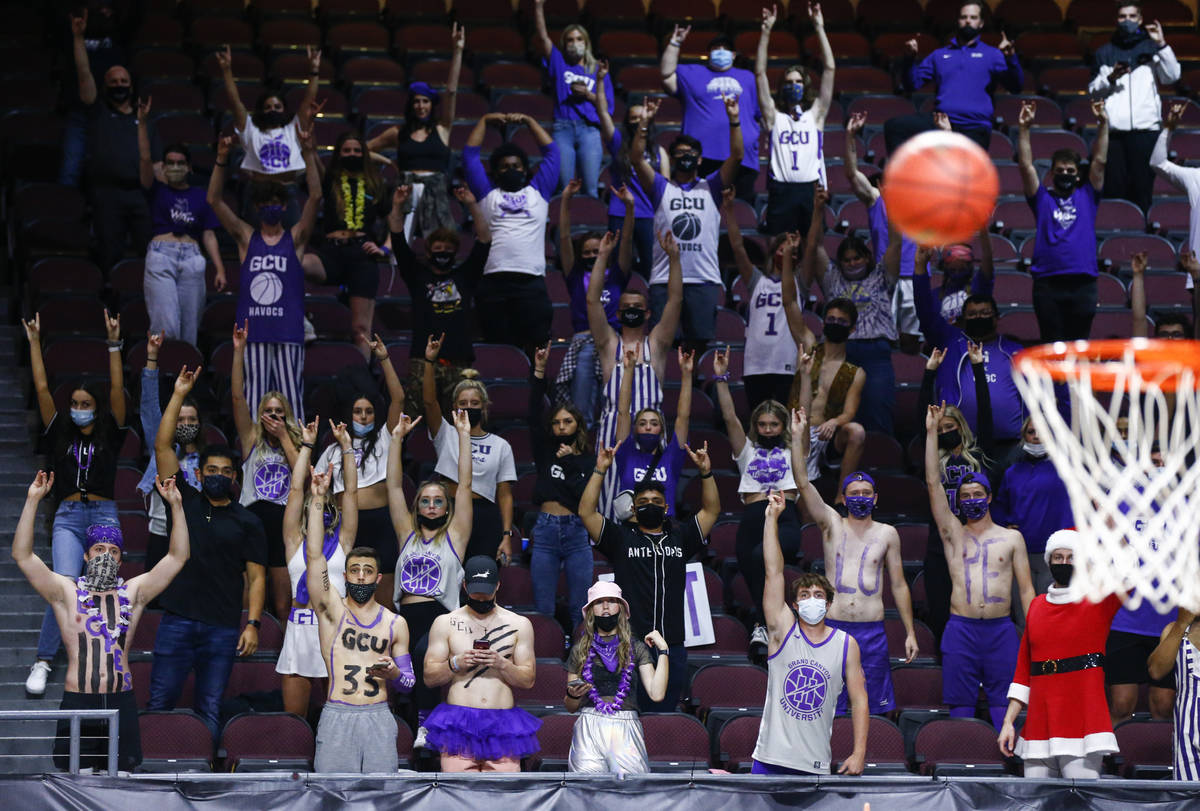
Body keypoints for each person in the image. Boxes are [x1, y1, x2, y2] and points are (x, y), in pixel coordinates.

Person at [15, 471, 189, 772]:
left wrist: (176, 506)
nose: (105, 556)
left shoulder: (133, 592)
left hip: (120, 699)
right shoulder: (66, 592)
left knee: (122, 779)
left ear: (121, 561)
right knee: (76, 781)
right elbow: (23, 556)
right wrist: (32, 500)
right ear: (85, 556)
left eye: (113, 552)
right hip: (79, 700)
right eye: (99, 550)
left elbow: (177, 557)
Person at [149, 366, 267, 738]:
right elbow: (162, 446)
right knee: (160, 700)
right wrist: (179, 395)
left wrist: (253, 624)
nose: (218, 475)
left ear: (235, 478)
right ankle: (150, 772)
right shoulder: (182, 500)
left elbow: (257, 576)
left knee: (210, 705)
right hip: (177, 619)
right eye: (211, 469)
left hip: (221, 624)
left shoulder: (248, 521)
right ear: (198, 475)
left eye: (226, 471)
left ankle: (205, 773)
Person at [22, 311, 126, 697]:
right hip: (67, 516)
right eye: (75, 402)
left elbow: (117, 388)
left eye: (86, 402)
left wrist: (114, 343)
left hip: (104, 512)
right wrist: (34, 342)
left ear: (96, 406)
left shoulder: (110, 432)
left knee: (103, 582)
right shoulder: (60, 429)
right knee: (64, 583)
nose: (79, 406)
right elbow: (42, 386)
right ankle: (45, 660)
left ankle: (102, 656)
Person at [793, 408, 918, 714]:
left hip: (871, 629)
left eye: (866, 492)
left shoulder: (888, 533)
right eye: (854, 493)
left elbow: (900, 585)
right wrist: (797, 439)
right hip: (832, 626)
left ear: (875, 498)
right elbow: (803, 483)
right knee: (828, 705)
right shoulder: (831, 524)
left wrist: (910, 631)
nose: (860, 497)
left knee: (872, 705)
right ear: (844, 497)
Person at [580, 440, 720, 712]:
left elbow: (712, 510)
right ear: (633, 510)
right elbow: (586, 512)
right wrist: (600, 470)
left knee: (663, 716)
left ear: (666, 508)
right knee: (628, 713)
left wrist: (705, 472)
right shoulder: (620, 539)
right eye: (643, 502)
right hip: (628, 643)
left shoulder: (680, 537)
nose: (649, 505)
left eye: (656, 501)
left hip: (672, 644)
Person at [925, 402, 1034, 729]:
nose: (971, 499)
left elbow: (1027, 590)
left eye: (977, 494)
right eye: (965, 495)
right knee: (960, 705)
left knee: (1005, 703)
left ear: (988, 497)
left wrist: (1034, 632)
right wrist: (931, 432)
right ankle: (963, 761)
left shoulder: (1011, 539)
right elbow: (932, 482)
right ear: (958, 501)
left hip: (1001, 629)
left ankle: (1005, 761)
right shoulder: (953, 536)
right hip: (962, 628)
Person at [208, 129, 322, 418]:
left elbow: (316, 196)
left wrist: (308, 153)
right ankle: (253, 460)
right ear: (257, 208)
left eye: (276, 202)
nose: (271, 207)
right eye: (264, 203)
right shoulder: (247, 238)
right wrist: (221, 159)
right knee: (254, 398)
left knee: (291, 399)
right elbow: (214, 201)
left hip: (288, 331)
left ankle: (297, 457)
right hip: (253, 331)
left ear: (284, 207)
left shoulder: (295, 239)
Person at [305, 471, 413, 773]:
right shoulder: (331, 610)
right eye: (355, 570)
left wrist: (393, 673)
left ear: (379, 579)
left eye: (368, 571)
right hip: (338, 713)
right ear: (345, 575)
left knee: (381, 800)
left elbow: (408, 683)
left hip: (378, 715)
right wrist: (316, 500)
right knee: (333, 799)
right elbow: (315, 557)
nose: (361, 576)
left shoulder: (395, 623)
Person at [751, 492, 867, 775]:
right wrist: (771, 520)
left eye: (818, 595)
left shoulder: (845, 644)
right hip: (769, 760)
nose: (811, 599)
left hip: (815, 764)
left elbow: (860, 700)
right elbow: (773, 572)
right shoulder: (782, 631)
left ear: (828, 605)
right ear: (794, 604)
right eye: (805, 594)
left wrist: (859, 753)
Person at [999, 530, 1122, 778]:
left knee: (1079, 803)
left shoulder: (1098, 602)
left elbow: (1122, 570)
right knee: (1036, 803)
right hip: (1039, 722)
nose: (1064, 563)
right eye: (1058, 557)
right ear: (1049, 561)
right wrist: (1007, 723)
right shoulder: (1036, 606)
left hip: (1083, 721)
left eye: (1071, 557)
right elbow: (1024, 672)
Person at [388, 409, 473, 748]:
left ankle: (427, 726)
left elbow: (465, 485)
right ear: (418, 506)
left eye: (439, 501)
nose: (433, 505)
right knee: (401, 679)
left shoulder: (455, 536)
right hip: (405, 619)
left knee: (425, 657)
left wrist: (463, 436)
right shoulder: (406, 535)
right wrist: (397, 439)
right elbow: (393, 485)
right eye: (426, 501)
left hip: (440, 618)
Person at [714, 346, 802, 655]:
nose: (767, 430)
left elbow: (802, 411)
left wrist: (802, 373)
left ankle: (761, 622)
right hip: (752, 518)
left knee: (757, 558)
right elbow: (728, 416)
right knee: (750, 558)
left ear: (783, 426)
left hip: (785, 516)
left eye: (773, 425)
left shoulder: (794, 451)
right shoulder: (747, 450)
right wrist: (721, 377)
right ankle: (769, 624)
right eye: (762, 425)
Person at [634, 96, 740, 350]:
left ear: (700, 160)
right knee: (659, 346)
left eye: (691, 153)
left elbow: (737, 155)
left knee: (698, 347)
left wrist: (734, 119)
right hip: (663, 279)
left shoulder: (711, 186)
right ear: (671, 159)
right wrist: (645, 123)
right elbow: (637, 159)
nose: (686, 157)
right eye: (680, 153)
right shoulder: (661, 186)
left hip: (702, 279)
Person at [588, 228, 682, 515]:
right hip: (613, 436)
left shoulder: (656, 344)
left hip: (652, 437)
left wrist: (675, 260)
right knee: (609, 508)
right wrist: (603, 255)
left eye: (637, 307)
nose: (632, 311)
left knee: (653, 508)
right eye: (626, 307)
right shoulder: (608, 345)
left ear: (647, 313)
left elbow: (675, 301)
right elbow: (592, 301)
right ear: (617, 314)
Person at [313, 335, 406, 606]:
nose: (363, 417)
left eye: (368, 411)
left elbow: (398, 398)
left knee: (385, 594)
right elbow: (316, 489)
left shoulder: (386, 439)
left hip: (381, 523)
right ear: (348, 413)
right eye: (357, 411)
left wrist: (384, 359)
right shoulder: (333, 450)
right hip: (345, 526)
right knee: (346, 594)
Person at [424, 557, 540, 771]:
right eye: (475, 592)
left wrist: (502, 664)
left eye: (486, 592)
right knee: (457, 797)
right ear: (465, 585)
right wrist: (455, 663)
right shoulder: (445, 623)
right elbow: (429, 677)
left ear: (497, 585)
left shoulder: (519, 624)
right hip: (459, 722)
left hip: (502, 723)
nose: (480, 597)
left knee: (503, 797)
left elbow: (528, 680)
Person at [801, 188, 901, 434]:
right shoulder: (832, 278)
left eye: (857, 258)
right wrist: (818, 210)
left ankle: (878, 463)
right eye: (847, 259)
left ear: (867, 258)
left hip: (875, 354)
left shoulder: (882, 275)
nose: (852, 263)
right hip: (839, 352)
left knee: (877, 409)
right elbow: (813, 247)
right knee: (835, 413)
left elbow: (897, 242)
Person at [390, 182, 490, 420]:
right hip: (422, 362)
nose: (442, 252)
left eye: (447, 248)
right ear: (428, 252)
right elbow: (397, 238)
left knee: (462, 423)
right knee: (412, 419)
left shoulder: (465, 276)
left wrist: (471, 204)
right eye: (437, 248)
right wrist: (397, 205)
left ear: (455, 253)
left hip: (460, 362)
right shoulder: (417, 275)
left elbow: (485, 239)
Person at [276, 417, 355, 718]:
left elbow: (352, 494)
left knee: (336, 718)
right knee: (294, 722)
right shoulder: (294, 541)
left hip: (336, 629)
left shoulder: (344, 542)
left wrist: (346, 447)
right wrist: (307, 445)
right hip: (300, 629)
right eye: (309, 507)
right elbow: (295, 491)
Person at [463, 112, 559, 351]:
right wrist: (483, 120)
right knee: (498, 351)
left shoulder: (539, 192)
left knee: (536, 351)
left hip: (531, 283)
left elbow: (552, 153)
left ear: (526, 170)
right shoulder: (487, 194)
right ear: (495, 173)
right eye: (505, 167)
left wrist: (529, 121)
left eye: (516, 166)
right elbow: (470, 155)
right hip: (493, 283)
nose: (511, 170)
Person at [71, 10, 156, 273]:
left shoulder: (146, 120)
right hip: (106, 194)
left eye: (123, 81)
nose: (119, 85)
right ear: (105, 85)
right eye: (113, 81)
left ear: (131, 86)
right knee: (110, 255)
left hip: (141, 197)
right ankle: (111, 306)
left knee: (150, 257)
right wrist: (78, 39)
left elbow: (157, 162)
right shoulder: (98, 112)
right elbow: (84, 73)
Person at [1017, 99, 1109, 343]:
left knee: (1078, 348)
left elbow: (1099, 162)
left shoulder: (1087, 195)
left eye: (1070, 171)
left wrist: (1103, 124)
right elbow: (1026, 166)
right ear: (1051, 173)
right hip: (1048, 283)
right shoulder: (1042, 199)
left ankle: (1075, 384)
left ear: (1078, 175)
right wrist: (1024, 128)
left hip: (1083, 283)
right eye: (1060, 170)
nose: (1065, 174)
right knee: (1052, 347)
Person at [913, 243, 1023, 446]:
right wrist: (920, 268)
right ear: (963, 319)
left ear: (997, 318)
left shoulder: (1014, 350)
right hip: (959, 444)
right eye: (972, 314)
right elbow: (925, 310)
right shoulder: (951, 342)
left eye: (985, 314)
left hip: (1011, 445)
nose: (979, 317)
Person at [231, 320, 303, 623]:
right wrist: (239, 352)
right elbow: (237, 397)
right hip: (252, 520)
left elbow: (305, 476)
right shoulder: (251, 438)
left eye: (279, 412)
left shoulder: (296, 441)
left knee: (284, 602)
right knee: (249, 595)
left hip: (284, 525)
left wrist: (286, 435)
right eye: (269, 411)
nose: (273, 416)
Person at [136, 98, 224, 346]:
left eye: (180, 163)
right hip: (162, 254)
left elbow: (208, 234)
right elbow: (144, 159)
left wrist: (219, 268)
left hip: (193, 257)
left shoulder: (200, 195)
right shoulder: (156, 189)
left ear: (189, 167)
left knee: (189, 332)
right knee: (165, 327)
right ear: (162, 167)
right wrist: (142, 123)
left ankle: (184, 383)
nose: (175, 167)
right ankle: (159, 381)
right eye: (170, 163)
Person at [423, 335, 517, 564]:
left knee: (481, 579)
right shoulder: (445, 433)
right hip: (448, 511)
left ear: (484, 407)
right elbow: (428, 403)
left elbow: (504, 494)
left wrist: (506, 535)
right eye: (463, 403)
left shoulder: (501, 445)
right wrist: (429, 362)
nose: (468, 408)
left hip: (485, 516)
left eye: (474, 404)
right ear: (454, 407)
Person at [366, 24, 464, 241]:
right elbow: (362, 150)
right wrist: (388, 161)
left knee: (440, 243)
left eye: (425, 101)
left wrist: (457, 51)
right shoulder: (397, 132)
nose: (421, 106)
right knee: (397, 246)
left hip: (435, 194)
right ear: (411, 105)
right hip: (405, 192)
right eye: (417, 102)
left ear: (432, 105)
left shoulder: (443, 128)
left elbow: (451, 92)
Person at [564, 581, 669, 774]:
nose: (605, 607)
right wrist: (573, 695)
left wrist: (663, 650)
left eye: (611, 601)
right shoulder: (580, 649)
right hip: (589, 725)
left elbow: (657, 694)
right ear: (590, 611)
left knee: (630, 795)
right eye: (599, 602)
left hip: (626, 726)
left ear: (621, 608)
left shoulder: (637, 648)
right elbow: (570, 707)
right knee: (586, 795)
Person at [304, 132, 391, 358]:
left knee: (361, 329)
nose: (351, 154)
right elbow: (311, 158)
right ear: (338, 155)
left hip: (362, 254)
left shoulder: (376, 184)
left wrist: (385, 248)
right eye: (346, 151)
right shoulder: (330, 180)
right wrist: (309, 145)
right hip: (330, 252)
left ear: (363, 154)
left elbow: (396, 220)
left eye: (356, 151)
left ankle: (363, 384)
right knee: (295, 263)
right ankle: (298, 318)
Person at [555, 182, 633, 429]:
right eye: (586, 253)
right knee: (581, 415)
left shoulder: (617, 275)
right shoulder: (575, 275)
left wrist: (629, 208)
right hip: (585, 345)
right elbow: (565, 236)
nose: (591, 256)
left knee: (614, 411)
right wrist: (566, 199)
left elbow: (628, 240)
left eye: (595, 251)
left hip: (613, 346)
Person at [529, 345, 596, 628]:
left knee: (580, 606)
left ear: (577, 424)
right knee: (543, 606)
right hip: (545, 529)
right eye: (556, 422)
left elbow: (584, 496)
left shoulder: (587, 458)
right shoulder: (544, 449)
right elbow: (533, 412)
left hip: (577, 531)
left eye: (567, 421)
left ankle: (579, 657)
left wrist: (569, 463)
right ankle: (545, 660)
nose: (561, 426)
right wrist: (540, 371)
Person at [217, 44, 320, 226]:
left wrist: (314, 71)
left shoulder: (293, 129)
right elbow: (235, 102)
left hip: (288, 191)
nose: (272, 110)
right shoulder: (251, 129)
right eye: (268, 107)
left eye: (277, 107)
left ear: (284, 110)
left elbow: (308, 101)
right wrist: (226, 70)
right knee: (256, 243)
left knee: (292, 243)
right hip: (258, 192)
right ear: (260, 111)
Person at [1089, 4, 1179, 213]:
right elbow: (1093, 92)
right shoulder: (1104, 52)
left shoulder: (1152, 48)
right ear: (1116, 20)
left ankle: (1143, 239)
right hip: (1114, 133)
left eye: (1132, 16)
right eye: (1122, 16)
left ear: (1140, 19)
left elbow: (1172, 76)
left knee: (1142, 190)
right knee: (1114, 190)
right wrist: (1111, 78)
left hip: (1146, 131)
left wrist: (1162, 44)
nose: (1127, 20)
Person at [899, 2, 1022, 149]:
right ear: (958, 21)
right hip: (941, 123)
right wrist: (909, 59)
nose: (968, 21)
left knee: (963, 172)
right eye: (963, 17)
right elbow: (911, 85)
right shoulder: (939, 55)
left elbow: (1016, 87)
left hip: (975, 127)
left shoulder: (993, 54)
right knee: (895, 127)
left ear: (981, 23)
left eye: (973, 17)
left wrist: (1011, 58)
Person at [757, 3, 834, 235]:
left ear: (806, 85)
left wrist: (819, 27)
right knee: (777, 251)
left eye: (798, 82)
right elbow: (759, 73)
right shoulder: (773, 117)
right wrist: (766, 31)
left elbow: (829, 69)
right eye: (789, 82)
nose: (794, 86)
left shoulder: (816, 115)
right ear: (782, 87)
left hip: (809, 190)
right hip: (781, 190)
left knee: (814, 250)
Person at [660, 24, 760, 202]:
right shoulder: (692, 73)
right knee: (702, 208)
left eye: (726, 49)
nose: (720, 52)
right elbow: (667, 75)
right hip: (702, 157)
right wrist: (674, 43)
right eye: (716, 49)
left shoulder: (748, 77)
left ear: (734, 55)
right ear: (708, 54)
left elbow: (758, 113)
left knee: (741, 212)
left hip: (742, 158)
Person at [729, 207, 811, 411]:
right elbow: (738, 247)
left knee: (785, 423)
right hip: (756, 362)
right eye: (782, 248)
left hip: (786, 362)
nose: (785, 253)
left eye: (790, 250)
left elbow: (814, 246)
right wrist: (729, 209)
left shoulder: (799, 282)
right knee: (759, 423)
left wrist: (817, 210)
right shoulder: (757, 281)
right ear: (773, 251)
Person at [137, 333, 204, 574]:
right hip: (161, 533)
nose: (185, 424)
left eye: (191, 419)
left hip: (197, 536)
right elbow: (148, 406)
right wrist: (152, 358)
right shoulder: (162, 450)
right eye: (180, 419)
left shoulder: (209, 461)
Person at [595, 65, 670, 277]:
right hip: (620, 213)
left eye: (642, 117)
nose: (638, 122)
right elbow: (602, 112)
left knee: (651, 267)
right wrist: (600, 80)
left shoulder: (659, 152)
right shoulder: (618, 144)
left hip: (648, 216)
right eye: (633, 118)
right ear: (627, 122)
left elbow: (665, 189)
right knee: (619, 267)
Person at [532, 2, 612, 197]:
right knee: (565, 189)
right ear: (564, 44)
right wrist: (538, 7)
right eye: (569, 40)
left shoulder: (597, 70)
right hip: (563, 129)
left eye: (578, 39)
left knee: (590, 189)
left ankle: (590, 226)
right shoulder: (559, 63)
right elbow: (543, 38)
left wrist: (588, 95)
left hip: (590, 130)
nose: (574, 43)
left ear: (586, 42)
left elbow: (608, 107)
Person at [787, 297, 866, 491]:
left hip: (824, 435)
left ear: (852, 328)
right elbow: (789, 303)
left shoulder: (855, 372)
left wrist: (834, 422)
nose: (835, 324)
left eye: (842, 321)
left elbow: (849, 412)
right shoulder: (808, 350)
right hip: (795, 430)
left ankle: (842, 496)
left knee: (857, 431)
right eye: (831, 319)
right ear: (823, 323)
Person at [991, 418, 1073, 594]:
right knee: (1023, 617)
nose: (1036, 437)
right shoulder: (1012, 473)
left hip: (1056, 555)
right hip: (1020, 553)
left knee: (1051, 611)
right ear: (1023, 437)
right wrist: (1004, 527)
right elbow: (999, 506)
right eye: (1031, 432)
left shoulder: (1065, 469)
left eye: (1042, 431)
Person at [610, 346, 692, 521]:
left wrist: (686, 374)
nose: (648, 427)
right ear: (635, 430)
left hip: (665, 527)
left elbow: (683, 417)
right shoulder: (626, 454)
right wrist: (629, 369)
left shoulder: (672, 457)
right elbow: (623, 412)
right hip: (633, 528)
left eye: (654, 423)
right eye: (642, 423)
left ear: (661, 430)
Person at [1148, 606, 1200, 780]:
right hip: (1187, 735)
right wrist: (1181, 623)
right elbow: (1156, 671)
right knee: (1188, 801)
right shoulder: (1174, 629)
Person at [1131, 248, 1199, 340]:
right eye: (1164, 334)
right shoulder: (1149, 354)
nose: (1170, 339)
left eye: (1177, 334)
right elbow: (1139, 320)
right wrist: (1138, 275)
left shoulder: (1194, 354)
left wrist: (1196, 275)